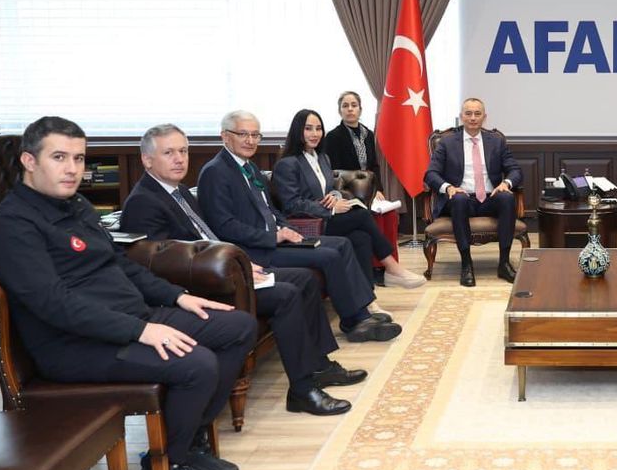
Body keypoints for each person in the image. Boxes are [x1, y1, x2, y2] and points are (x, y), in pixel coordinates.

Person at [0, 116, 258, 470]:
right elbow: (55, 305)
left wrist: (177, 297)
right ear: (29, 161)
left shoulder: (77, 206)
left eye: (79, 158)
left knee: (238, 326)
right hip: (76, 345)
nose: (72, 169)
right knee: (197, 365)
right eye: (59, 157)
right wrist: (140, 331)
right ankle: (164, 468)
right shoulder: (11, 226)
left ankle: (186, 441)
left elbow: (120, 264)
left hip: (129, 320)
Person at [121, 123, 367, 418]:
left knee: (304, 279)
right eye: (169, 153)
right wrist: (234, 268)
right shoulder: (143, 203)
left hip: (226, 270)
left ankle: (320, 366)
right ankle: (302, 390)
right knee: (287, 294)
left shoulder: (180, 192)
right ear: (147, 159)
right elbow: (160, 267)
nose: (179, 159)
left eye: (183, 151)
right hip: (204, 289)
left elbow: (208, 240)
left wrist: (242, 263)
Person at [196, 110, 401, 343]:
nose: (251, 141)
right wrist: (273, 237)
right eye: (243, 134)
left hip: (278, 239)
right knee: (330, 255)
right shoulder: (215, 172)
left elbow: (272, 210)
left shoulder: (250, 167)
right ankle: (355, 322)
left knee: (343, 244)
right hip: (256, 250)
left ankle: (361, 313)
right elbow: (224, 226)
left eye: (255, 135)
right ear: (225, 136)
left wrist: (287, 229)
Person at [273, 108, 425, 288]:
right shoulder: (288, 163)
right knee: (362, 216)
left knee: (362, 237)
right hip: (308, 223)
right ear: (298, 130)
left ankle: (367, 296)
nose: (315, 134)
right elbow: (291, 205)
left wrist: (335, 197)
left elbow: (329, 190)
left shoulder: (322, 158)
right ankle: (392, 267)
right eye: (308, 129)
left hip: (326, 218)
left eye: (318, 128)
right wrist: (331, 208)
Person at [424, 97, 522, 287]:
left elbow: (515, 170)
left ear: (484, 117)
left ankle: (504, 263)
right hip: (462, 200)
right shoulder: (447, 143)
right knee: (459, 199)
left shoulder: (496, 142)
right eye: (468, 113)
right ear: (461, 116)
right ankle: (466, 264)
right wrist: (449, 188)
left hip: (490, 198)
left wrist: (506, 183)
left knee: (507, 198)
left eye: (477, 114)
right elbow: (431, 174)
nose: (473, 118)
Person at [322, 90, 379, 173]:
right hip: (344, 181)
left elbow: (374, 165)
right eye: (345, 106)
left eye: (354, 105)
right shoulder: (332, 137)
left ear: (360, 110)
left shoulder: (368, 134)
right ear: (339, 111)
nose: (350, 109)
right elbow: (332, 170)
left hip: (369, 180)